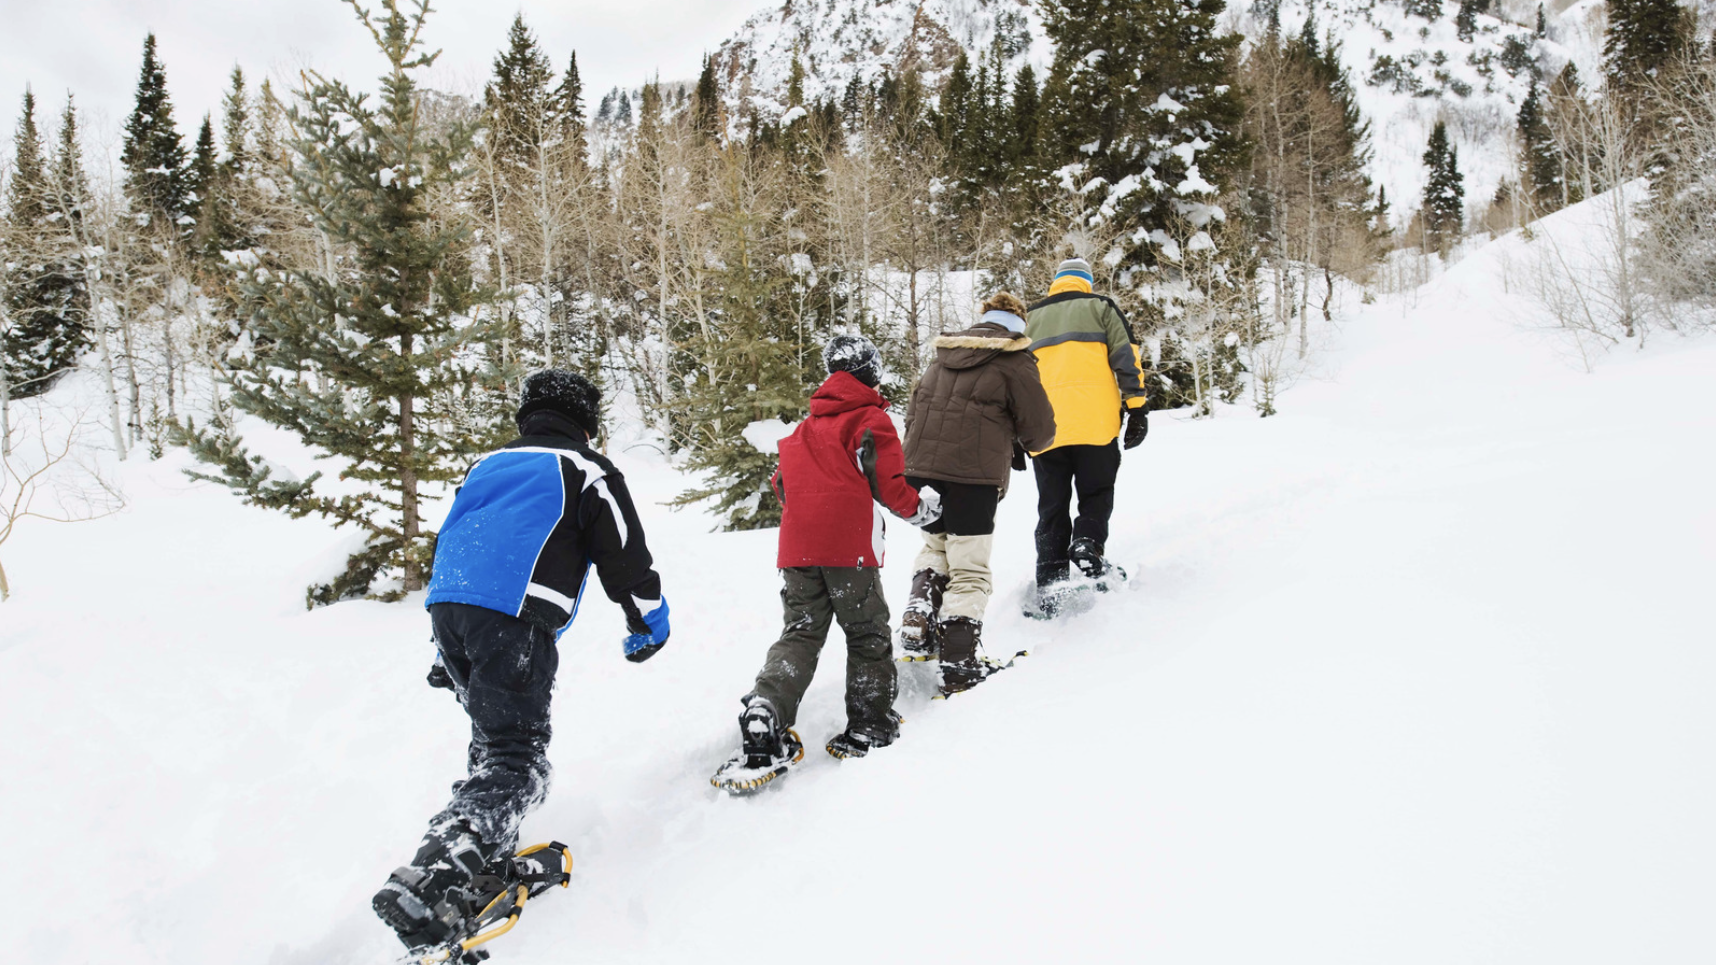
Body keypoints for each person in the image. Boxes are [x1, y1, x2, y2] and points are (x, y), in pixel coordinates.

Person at [373, 369, 670, 950]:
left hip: (451, 609)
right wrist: (648, 622)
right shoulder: (586, 469)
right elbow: (626, 557)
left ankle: (480, 862)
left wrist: (445, 647)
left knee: (493, 740)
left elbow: (457, 538)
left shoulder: (487, 466)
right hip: (512, 615)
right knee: (518, 759)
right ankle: (439, 872)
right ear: (587, 423)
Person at [715, 335, 938, 788]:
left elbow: (781, 485)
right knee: (867, 633)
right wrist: (925, 511)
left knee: (800, 633)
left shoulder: (803, 427)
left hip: (797, 548)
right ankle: (869, 724)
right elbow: (891, 485)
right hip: (848, 548)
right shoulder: (869, 418)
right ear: (870, 372)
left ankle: (766, 709)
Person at [899, 292, 1057, 694]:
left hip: (920, 473)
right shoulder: (1015, 359)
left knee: (936, 546)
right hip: (972, 479)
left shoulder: (943, 355)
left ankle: (919, 613)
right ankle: (958, 663)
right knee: (969, 566)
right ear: (1019, 325)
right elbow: (1040, 431)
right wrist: (1020, 442)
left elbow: (913, 411)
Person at [1024, 258, 1149, 614]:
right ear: (1086, 282)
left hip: (1045, 430)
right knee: (1095, 493)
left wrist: (1015, 431)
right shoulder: (1101, 307)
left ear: (1057, 282)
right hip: (1096, 424)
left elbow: (1014, 377)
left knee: (1051, 506)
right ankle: (1087, 544)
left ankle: (1049, 587)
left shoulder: (1030, 319)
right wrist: (1137, 407)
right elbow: (1127, 357)